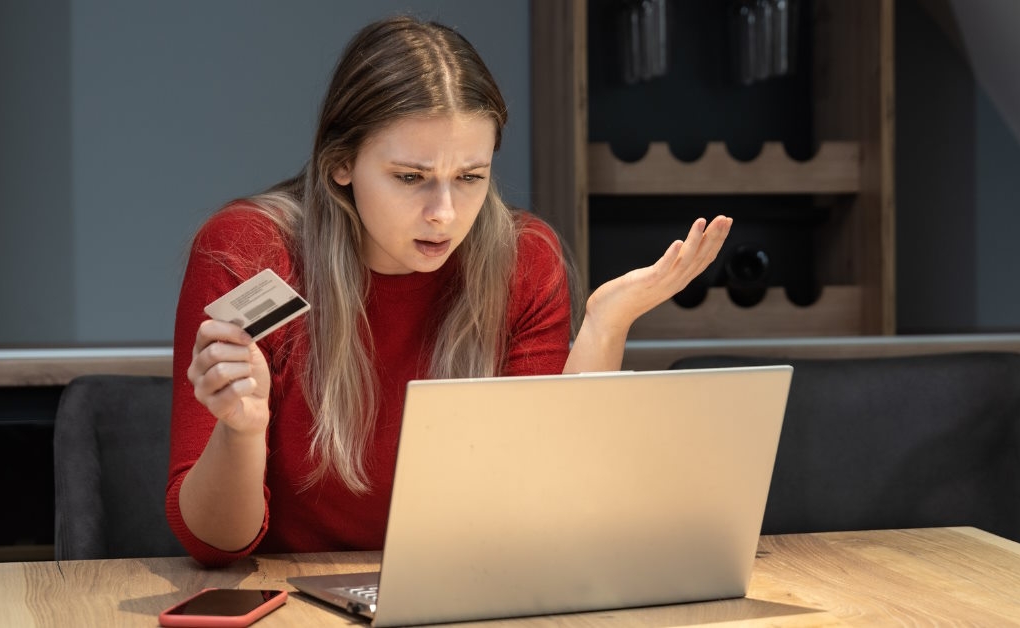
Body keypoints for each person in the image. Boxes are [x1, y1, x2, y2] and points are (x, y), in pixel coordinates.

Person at [167, 14, 731, 567]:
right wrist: (242, 430)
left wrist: (606, 325)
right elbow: (216, 544)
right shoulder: (248, 250)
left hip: (465, 583)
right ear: (340, 163)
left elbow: (544, 508)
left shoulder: (523, 257)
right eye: (410, 178)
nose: (444, 214)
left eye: (470, 177)